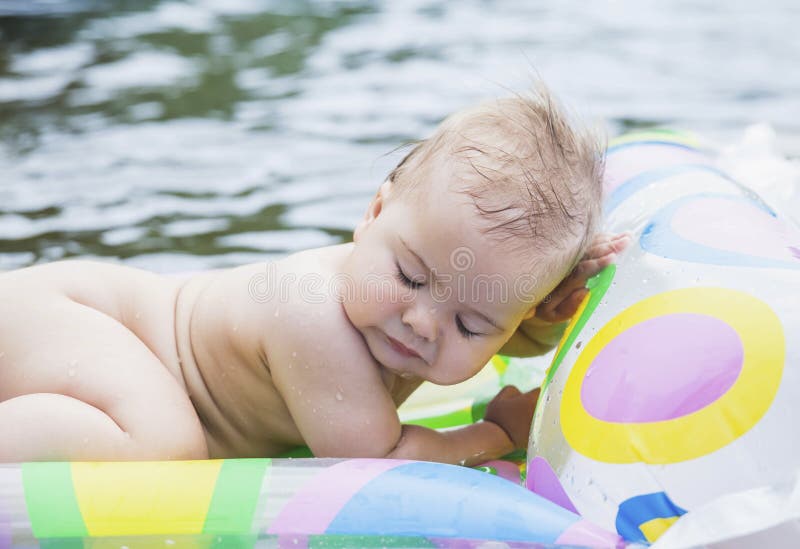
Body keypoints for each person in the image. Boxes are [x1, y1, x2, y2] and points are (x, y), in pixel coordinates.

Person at [0, 88, 628, 464]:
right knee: (166, 445)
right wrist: (494, 434)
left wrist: (549, 315)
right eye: (409, 278)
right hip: (71, 319)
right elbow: (374, 457)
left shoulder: (424, 283)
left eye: (470, 324)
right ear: (374, 213)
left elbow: (512, 332)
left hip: (84, 336)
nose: (422, 322)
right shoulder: (316, 319)